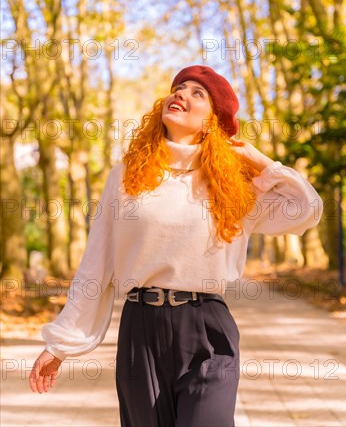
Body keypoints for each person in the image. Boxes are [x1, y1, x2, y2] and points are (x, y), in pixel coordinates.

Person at [29, 64, 323, 426]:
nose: (181, 94)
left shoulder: (233, 185)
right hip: (140, 328)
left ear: (214, 120)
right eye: (179, 88)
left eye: (197, 93)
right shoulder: (127, 176)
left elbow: (306, 211)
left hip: (206, 326)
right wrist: (60, 345)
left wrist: (261, 163)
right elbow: (97, 263)